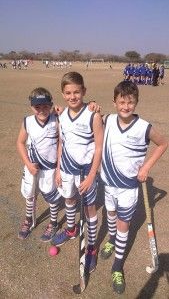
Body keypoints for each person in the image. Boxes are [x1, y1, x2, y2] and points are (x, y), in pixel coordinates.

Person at [100, 80, 168, 294]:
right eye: (122, 102)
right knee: (110, 215)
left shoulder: (144, 127)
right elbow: (88, 119)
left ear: (136, 102)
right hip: (108, 182)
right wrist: (91, 106)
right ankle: (111, 240)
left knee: (123, 224)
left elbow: (163, 143)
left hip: (129, 187)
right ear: (114, 102)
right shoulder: (107, 120)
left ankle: (117, 266)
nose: (126, 106)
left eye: (130, 102)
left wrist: (146, 167)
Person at [51, 71, 104, 274]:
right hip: (66, 169)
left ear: (84, 91)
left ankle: (91, 247)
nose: (72, 96)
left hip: (86, 172)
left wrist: (92, 176)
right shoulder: (61, 115)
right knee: (70, 200)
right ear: (63, 94)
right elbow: (61, 143)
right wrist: (58, 169)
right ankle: (71, 229)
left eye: (76, 92)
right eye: (68, 92)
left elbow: (98, 147)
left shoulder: (94, 115)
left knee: (90, 209)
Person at [17, 87, 61, 242]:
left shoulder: (57, 120)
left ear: (51, 105)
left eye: (45, 106)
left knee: (52, 197)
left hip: (50, 168)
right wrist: (28, 164)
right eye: (37, 107)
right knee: (30, 194)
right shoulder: (27, 122)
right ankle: (29, 219)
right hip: (32, 167)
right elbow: (20, 143)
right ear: (31, 107)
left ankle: (53, 222)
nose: (41, 110)